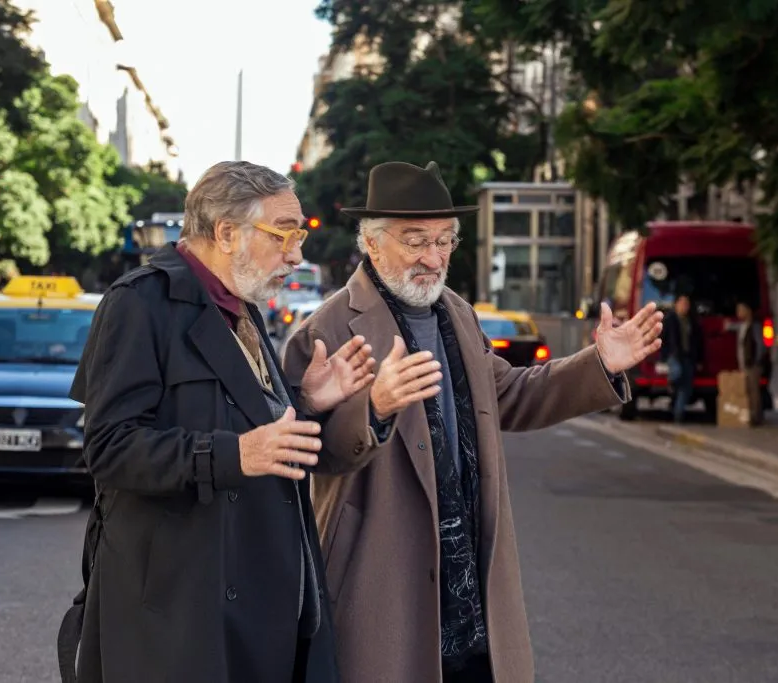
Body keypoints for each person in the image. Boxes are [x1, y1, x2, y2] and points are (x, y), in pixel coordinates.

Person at [282, 160, 664, 683]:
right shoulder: (325, 327)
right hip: (380, 580)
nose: (433, 257)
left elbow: (508, 393)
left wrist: (599, 365)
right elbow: (308, 448)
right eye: (415, 241)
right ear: (372, 243)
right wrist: (375, 407)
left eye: (444, 241)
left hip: (471, 585)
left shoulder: (457, 313)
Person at [57, 161, 376, 683]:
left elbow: (244, 423)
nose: (297, 255)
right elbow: (109, 448)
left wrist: (307, 402)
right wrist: (234, 455)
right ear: (227, 233)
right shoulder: (140, 303)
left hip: (255, 607)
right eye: (284, 235)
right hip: (180, 618)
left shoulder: (240, 307)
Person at [661, 293, 705, 422]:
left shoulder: (692, 321)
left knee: (686, 387)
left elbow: (698, 341)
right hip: (674, 355)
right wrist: (664, 355)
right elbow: (664, 339)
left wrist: (699, 359)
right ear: (676, 305)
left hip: (689, 356)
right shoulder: (670, 320)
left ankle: (678, 415)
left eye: (687, 304)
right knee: (677, 373)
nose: (685, 306)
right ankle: (671, 384)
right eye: (682, 303)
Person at [735, 300, 767, 425]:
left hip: (752, 364)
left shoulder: (755, 326)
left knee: (754, 391)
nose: (738, 313)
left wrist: (756, 360)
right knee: (748, 390)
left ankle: (756, 416)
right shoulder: (743, 326)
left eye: (740, 310)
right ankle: (750, 413)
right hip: (745, 364)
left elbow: (760, 345)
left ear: (747, 311)